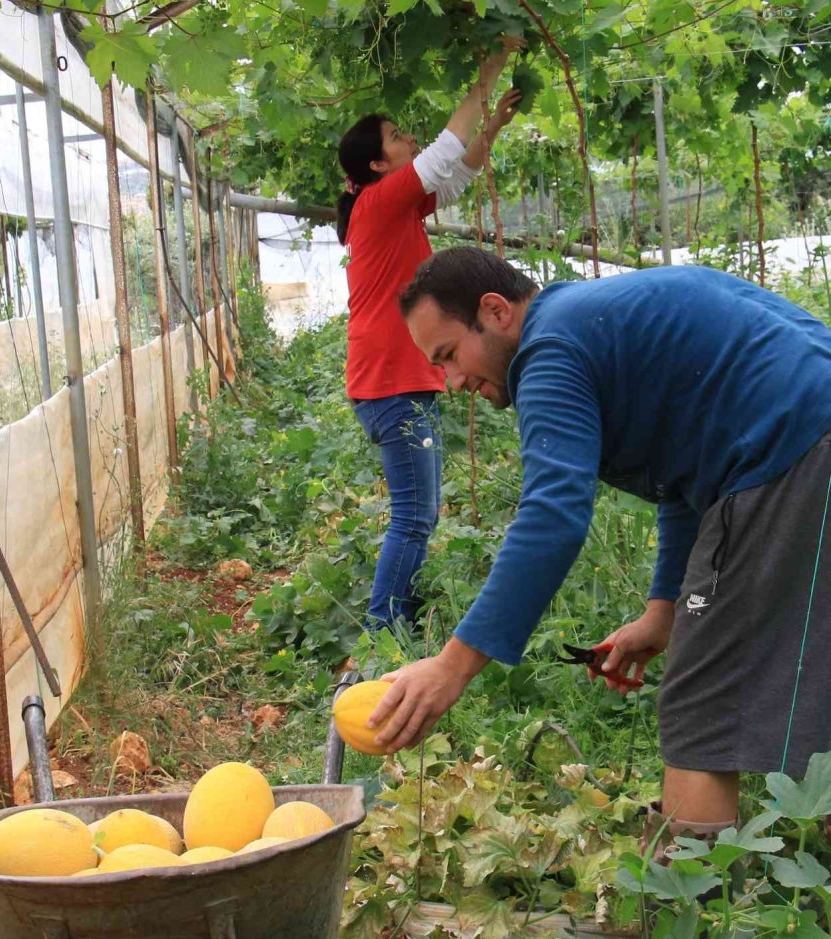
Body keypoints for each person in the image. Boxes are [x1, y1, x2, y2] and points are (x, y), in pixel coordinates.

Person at [366, 245, 831, 849]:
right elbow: (684, 476)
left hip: (794, 444)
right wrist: (662, 614)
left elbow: (553, 514)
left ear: (496, 310)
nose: (451, 382)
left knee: (700, 703)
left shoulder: (548, 349)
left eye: (450, 354)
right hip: (806, 430)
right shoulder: (588, 322)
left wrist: (452, 667)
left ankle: (695, 909)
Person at [337, 46, 523, 629]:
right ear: (376, 165)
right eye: (396, 137)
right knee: (414, 516)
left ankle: (397, 624)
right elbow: (444, 153)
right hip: (390, 384)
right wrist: (486, 73)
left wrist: (491, 126)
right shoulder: (377, 201)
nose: (408, 139)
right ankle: (384, 633)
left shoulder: (395, 211)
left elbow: (458, 174)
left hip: (395, 383)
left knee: (420, 513)